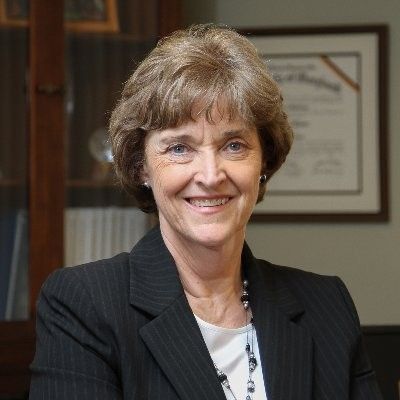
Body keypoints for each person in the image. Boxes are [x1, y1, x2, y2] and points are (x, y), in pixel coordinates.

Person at [29, 24, 382, 400]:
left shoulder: (326, 305)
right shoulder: (84, 304)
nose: (211, 176)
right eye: (180, 148)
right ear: (140, 167)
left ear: (265, 160)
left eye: (233, 145)